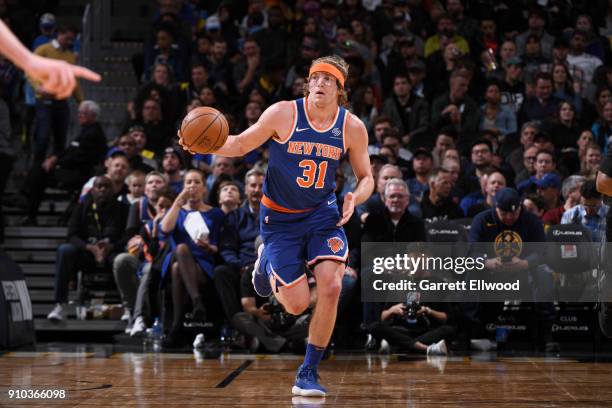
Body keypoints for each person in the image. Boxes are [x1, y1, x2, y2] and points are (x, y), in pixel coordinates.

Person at [210, 55, 374, 397]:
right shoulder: (284, 112)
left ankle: (308, 372)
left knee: (331, 286)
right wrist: (204, 144)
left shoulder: (352, 127)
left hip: (322, 215)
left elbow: (367, 178)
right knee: (297, 304)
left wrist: (354, 198)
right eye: (315, 77)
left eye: (328, 79)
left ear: (340, 90)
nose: (320, 83)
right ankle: (266, 261)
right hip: (280, 220)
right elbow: (240, 143)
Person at [0, 20, 100, 100]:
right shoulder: (43, 48)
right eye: (67, 38)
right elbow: (30, 72)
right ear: (59, 34)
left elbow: (74, 80)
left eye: (72, 40)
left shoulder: (70, 55)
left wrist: (81, 101)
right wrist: (38, 87)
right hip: (43, 97)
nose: (69, 42)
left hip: (60, 99)